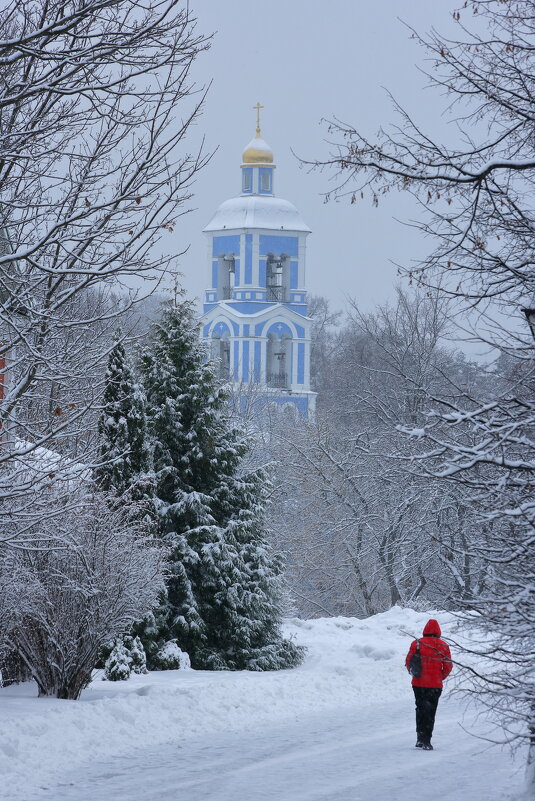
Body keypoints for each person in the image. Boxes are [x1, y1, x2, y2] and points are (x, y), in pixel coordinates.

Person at [405, 619, 452, 750]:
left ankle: (419, 738)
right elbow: (448, 666)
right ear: (438, 631)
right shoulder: (444, 646)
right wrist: (440, 677)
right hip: (435, 685)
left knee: (420, 708)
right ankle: (427, 740)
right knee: (430, 711)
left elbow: (408, 662)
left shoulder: (417, 643)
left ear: (425, 630)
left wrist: (414, 673)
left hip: (418, 683)